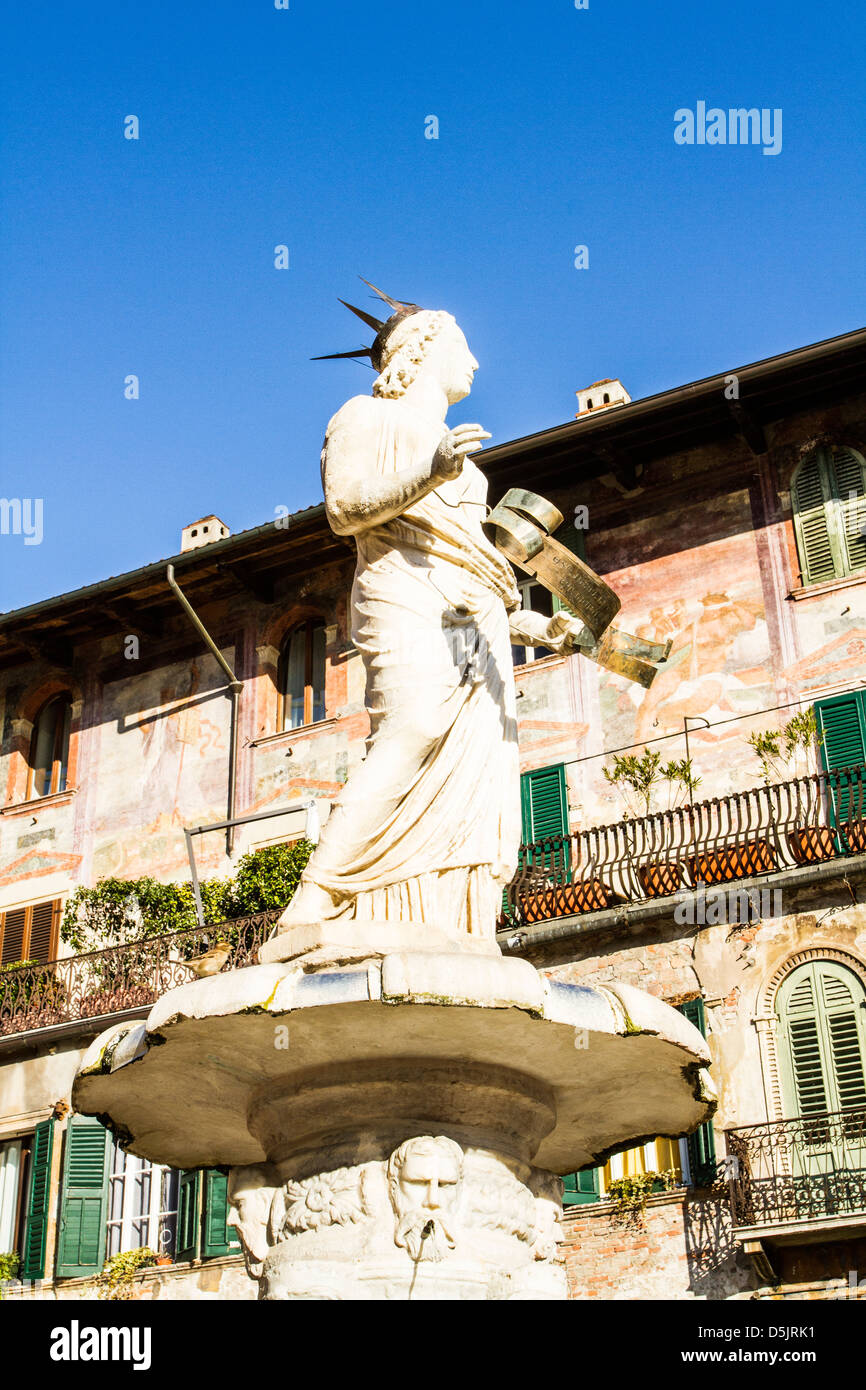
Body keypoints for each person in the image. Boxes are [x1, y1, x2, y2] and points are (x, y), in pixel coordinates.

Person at [279, 296, 582, 939]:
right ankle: (318, 896)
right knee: (412, 727)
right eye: (461, 344)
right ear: (418, 351)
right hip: (404, 592)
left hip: (474, 618)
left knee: (476, 758)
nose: (474, 360)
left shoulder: (467, 464)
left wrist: (537, 628)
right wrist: (430, 468)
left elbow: (479, 567)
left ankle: (444, 920)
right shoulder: (361, 417)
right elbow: (344, 509)